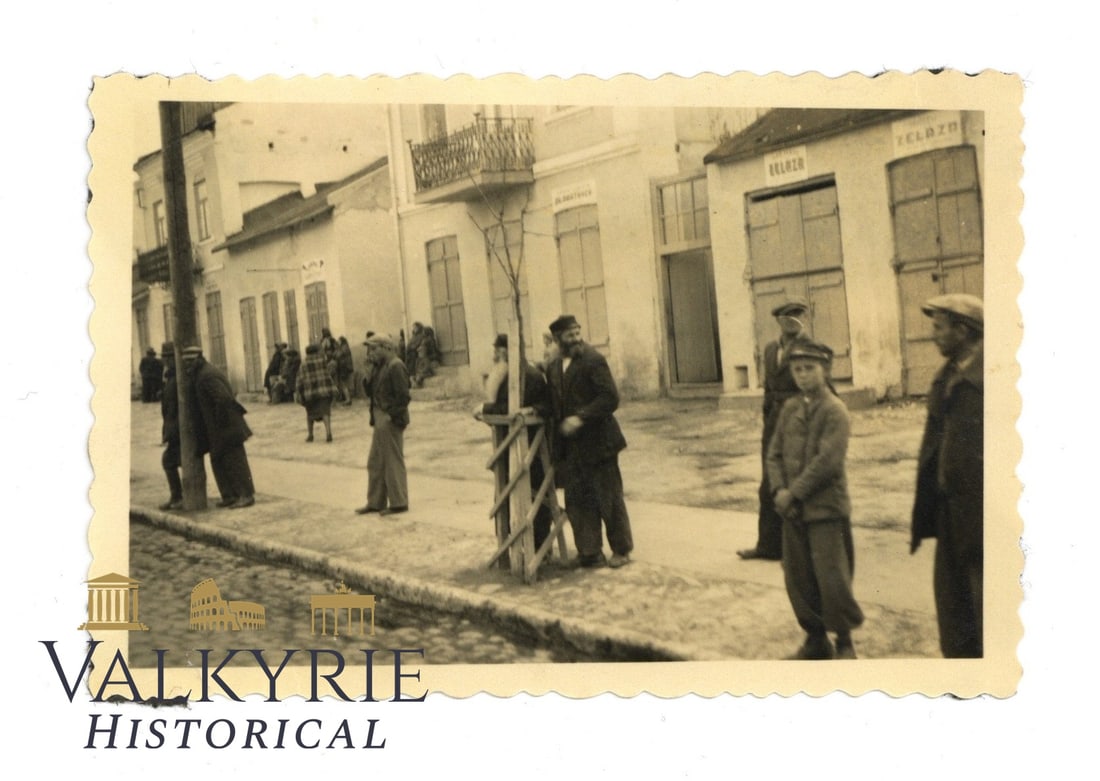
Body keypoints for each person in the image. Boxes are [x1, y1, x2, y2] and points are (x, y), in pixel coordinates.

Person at [766, 339, 864, 660]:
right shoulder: (790, 408)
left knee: (832, 577)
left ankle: (844, 641)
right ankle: (815, 638)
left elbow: (827, 462)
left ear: (826, 370)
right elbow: (774, 453)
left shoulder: (835, 410)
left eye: (809, 368)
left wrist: (793, 493)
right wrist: (778, 490)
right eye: (797, 370)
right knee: (799, 578)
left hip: (825, 509)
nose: (803, 375)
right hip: (792, 511)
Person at [911, 293, 984, 658]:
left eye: (939, 327)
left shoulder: (994, 378)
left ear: (963, 330)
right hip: (950, 513)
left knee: (988, 617)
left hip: (983, 520)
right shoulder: (948, 375)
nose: (932, 335)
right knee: (954, 615)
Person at [545, 314, 634, 569]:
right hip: (572, 448)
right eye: (569, 335)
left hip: (600, 443)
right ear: (557, 339)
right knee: (578, 500)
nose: (576, 339)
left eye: (577, 333)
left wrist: (580, 417)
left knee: (609, 498)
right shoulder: (553, 366)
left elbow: (610, 398)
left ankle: (621, 550)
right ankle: (590, 552)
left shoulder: (593, 360)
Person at [740, 299, 810, 562]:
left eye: (798, 315)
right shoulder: (770, 349)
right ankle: (768, 546)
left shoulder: (809, 348)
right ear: (779, 321)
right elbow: (768, 389)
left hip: (798, 420)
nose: (793, 320)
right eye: (787, 316)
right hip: (773, 423)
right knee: (769, 482)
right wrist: (767, 417)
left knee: (797, 482)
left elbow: (820, 388)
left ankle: (801, 548)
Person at [473, 333, 554, 553]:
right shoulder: (505, 375)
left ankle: (540, 547)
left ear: (510, 352)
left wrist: (485, 409)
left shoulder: (529, 376)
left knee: (535, 495)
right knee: (506, 495)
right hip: (508, 446)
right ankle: (510, 544)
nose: (495, 356)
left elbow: (510, 409)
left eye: (499, 351)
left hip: (531, 448)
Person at [181, 345, 256, 509]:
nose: (188, 365)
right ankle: (230, 495)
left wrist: (218, 422)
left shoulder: (206, 375)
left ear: (199, 359)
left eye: (191, 361)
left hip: (225, 426)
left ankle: (245, 495)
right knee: (219, 460)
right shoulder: (202, 373)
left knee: (235, 461)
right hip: (218, 427)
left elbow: (223, 399)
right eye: (186, 362)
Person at [355, 333, 410, 517]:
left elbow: (404, 397)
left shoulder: (396, 366)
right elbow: (369, 392)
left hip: (389, 419)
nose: (371, 353)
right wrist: (367, 374)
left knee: (392, 461)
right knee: (376, 461)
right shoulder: (379, 367)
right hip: (379, 418)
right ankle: (375, 502)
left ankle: (399, 502)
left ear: (386, 347)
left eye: (374, 348)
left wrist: (390, 416)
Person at [296, 343, 338, 443]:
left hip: (310, 393)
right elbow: (328, 373)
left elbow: (299, 379)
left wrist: (298, 392)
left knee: (310, 414)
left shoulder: (303, 364)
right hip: (324, 391)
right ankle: (328, 433)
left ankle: (310, 435)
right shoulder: (322, 361)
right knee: (325, 412)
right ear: (316, 352)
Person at [158, 342, 182, 510]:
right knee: (171, 461)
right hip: (175, 430)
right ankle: (178, 496)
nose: (166, 361)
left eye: (168, 357)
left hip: (178, 431)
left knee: (168, 461)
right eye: (165, 358)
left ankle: (177, 497)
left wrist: (170, 433)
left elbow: (174, 410)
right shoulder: (171, 378)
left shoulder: (176, 379)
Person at [335, 335, 355, 404]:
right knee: (346, 384)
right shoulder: (345, 346)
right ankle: (347, 398)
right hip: (346, 367)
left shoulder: (343, 347)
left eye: (339, 340)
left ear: (341, 341)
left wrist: (336, 352)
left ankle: (348, 399)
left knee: (343, 384)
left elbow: (338, 355)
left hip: (344, 368)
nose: (338, 342)